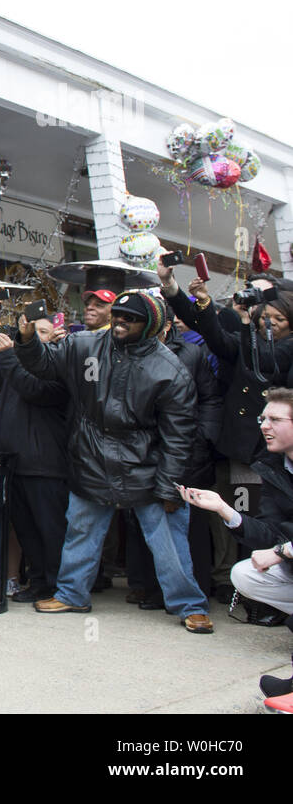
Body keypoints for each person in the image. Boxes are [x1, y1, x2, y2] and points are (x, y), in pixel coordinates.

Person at [15, 289, 213, 632]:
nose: (120, 322)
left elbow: (179, 436)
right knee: (81, 532)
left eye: (131, 318)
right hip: (92, 457)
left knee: (169, 542)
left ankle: (189, 605)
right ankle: (71, 594)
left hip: (147, 467)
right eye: (118, 315)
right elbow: (44, 365)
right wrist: (27, 338)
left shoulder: (170, 369)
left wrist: (169, 486)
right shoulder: (85, 345)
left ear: (150, 324)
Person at [161, 260, 293, 595]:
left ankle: (267, 593)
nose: (270, 324)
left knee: (273, 521)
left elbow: (266, 359)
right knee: (241, 513)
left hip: (281, 454)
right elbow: (214, 333)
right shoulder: (245, 340)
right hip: (244, 450)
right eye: (267, 317)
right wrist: (193, 297)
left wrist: (252, 317)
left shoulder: (286, 350)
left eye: (279, 319)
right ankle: (235, 585)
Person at [183, 388, 293, 696]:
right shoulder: (272, 468)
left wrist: (284, 551)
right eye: (262, 418)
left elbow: (280, 544)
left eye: (274, 419)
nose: (264, 426)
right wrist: (224, 509)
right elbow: (272, 532)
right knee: (245, 573)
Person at [124, 315, 223, 607]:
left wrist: (204, 436)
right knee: (145, 521)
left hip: (189, 450)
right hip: (145, 451)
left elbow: (211, 399)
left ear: (166, 326)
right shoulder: (129, 351)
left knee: (190, 524)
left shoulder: (191, 353)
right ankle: (152, 590)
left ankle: (195, 591)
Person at [0, 319, 70, 603]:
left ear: (55, 337)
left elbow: (33, 389)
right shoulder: (13, 365)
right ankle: (39, 581)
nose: (30, 338)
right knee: (26, 529)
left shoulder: (59, 366)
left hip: (45, 463)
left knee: (50, 530)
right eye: (27, 333)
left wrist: (8, 356)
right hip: (13, 462)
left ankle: (59, 586)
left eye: (40, 333)